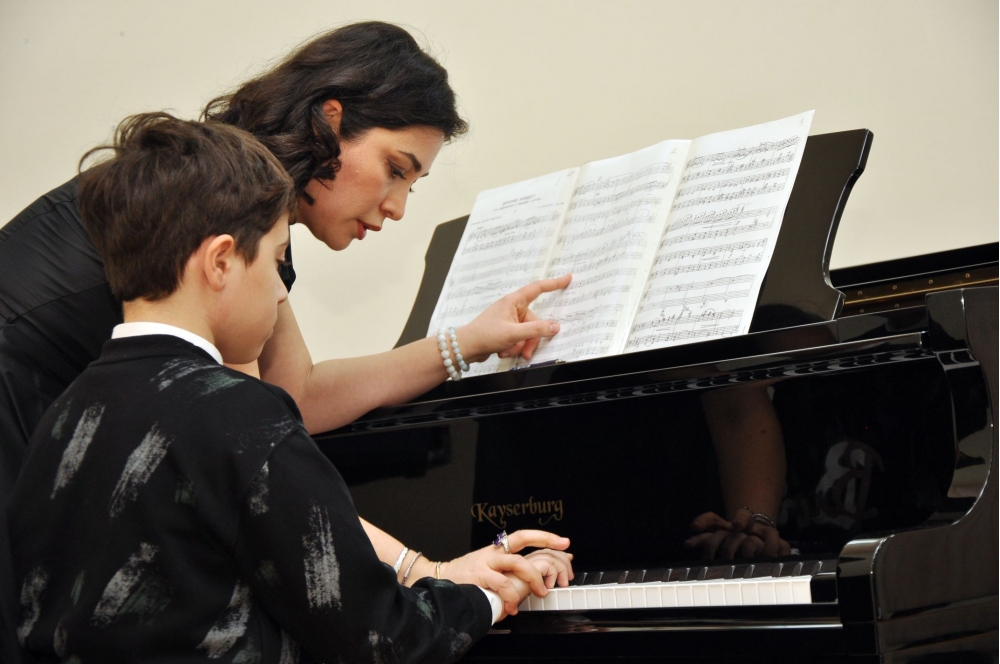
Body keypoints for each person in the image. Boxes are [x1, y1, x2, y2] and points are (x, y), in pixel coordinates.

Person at [0, 22, 570, 660]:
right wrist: (426, 573)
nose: (397, 206)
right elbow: (264, 475)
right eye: (395, 169)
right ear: (331, 120)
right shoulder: (220, 209)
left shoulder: (212, 195)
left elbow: (293, 390)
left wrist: (465, 343)